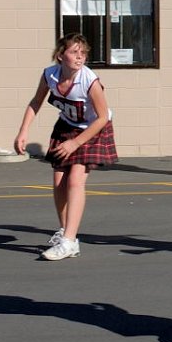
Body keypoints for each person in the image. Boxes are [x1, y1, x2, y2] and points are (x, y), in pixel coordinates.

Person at [12, 33, 118, 260]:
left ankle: (69, 240)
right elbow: (36, 102)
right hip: (67, 127)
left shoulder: (90, 81)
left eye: (83, 53)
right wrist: (23, 131)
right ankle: (67, 234)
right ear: (60, 55)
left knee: (75, 180)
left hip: (91, 129)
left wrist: (76, 143)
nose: (80, 57)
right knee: (59, 183)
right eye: (74, 52)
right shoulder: (49, 75)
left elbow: (101, 118)